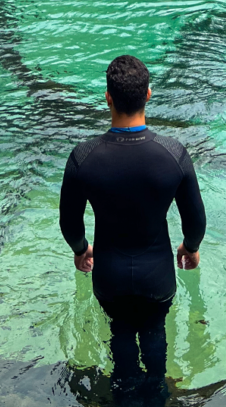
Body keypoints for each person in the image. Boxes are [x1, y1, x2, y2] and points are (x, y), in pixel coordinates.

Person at [59, 55, 206, 402]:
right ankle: (156, 392)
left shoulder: (83, 156)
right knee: (155, 335)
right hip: (157, 276)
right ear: (149, 95)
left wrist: (81, 250)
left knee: (120, 334)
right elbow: (195, 219)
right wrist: (191, 246)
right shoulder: (173, 154)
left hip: (109, 277)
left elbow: (69, 222)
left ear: (108, 98)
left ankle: (124, 393)